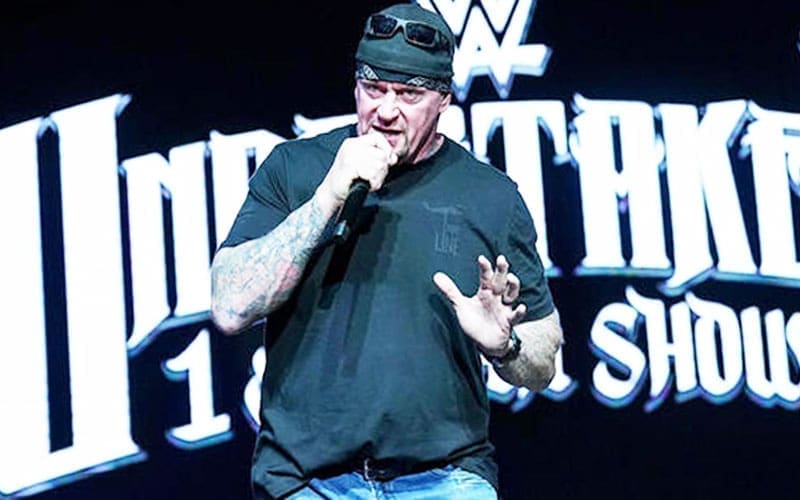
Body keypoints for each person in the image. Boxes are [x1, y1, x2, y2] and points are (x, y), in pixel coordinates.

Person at [210, 2, 563, 498]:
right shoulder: (295, 169)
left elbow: (544, 362)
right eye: (374, 88)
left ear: (444, 99)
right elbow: (229, 307)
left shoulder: (492, 197)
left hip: (446, 478)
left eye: (409, 94)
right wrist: (326, 199)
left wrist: (504, 346)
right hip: (309, 481)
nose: (386, 110)